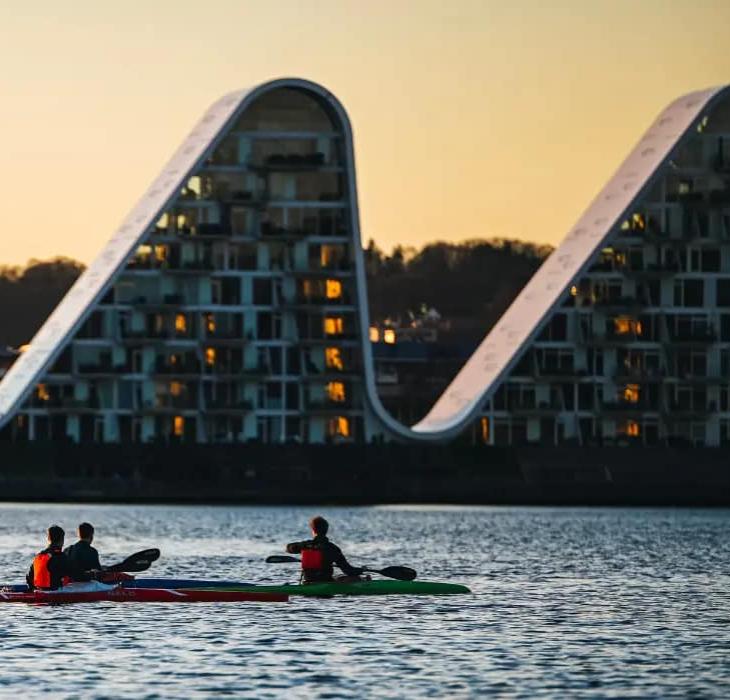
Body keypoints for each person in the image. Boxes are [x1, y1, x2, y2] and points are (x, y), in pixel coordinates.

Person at [286, 516, 365, 584]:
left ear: (313, 530)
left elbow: (289, 548)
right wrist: (360, 570)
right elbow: (348, 571)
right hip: (326, 582)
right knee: (356, 578)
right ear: (326, 531)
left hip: (308, 582)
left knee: (339, 577)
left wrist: (299, 548)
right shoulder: (333, 548)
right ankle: (364, 581)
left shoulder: (305, 545)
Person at [26, 525, 94, 591]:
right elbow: (78, 575)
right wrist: (93, 575)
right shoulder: (60, 557)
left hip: (39, 590)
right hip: (54, 592)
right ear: (62, 540)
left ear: (49, 538)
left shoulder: (39, 556)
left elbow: (29, 578)